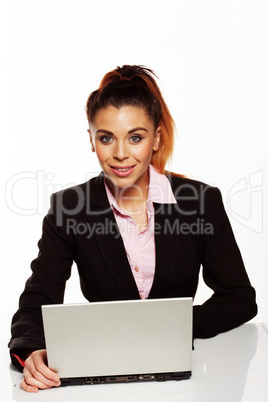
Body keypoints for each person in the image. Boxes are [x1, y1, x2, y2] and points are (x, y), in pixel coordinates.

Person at [8, 65, 257, 392]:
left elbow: (239, 298)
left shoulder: (200, 201)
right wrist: (32, 351)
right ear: (91, 140)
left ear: (156, 139)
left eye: (135, 137)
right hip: (102, 382)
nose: (120, 154)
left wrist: (174, 326)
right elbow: (35, 304)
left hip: (184, 382)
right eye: (106, 138)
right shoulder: (69, 208)